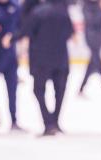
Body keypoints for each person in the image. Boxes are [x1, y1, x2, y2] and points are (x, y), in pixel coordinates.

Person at [21, 0, 73, 136]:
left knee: (39, 90)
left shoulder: (37, 13)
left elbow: (26, 32)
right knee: (59, 91)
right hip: (60, 59)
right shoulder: (63, 12)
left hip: (40, 59)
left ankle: (48, 122)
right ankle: (54, 121)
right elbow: (69, 33)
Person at [0, 0, 22, 132]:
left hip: (10, 57)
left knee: (12, 89)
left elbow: (21, 26)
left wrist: (13, 36)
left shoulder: (15, 6)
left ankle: (14, 120)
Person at [79, 0, 101, 96]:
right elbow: (93, 21)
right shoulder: (86, 6)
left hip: (98, 37)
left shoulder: (98, 5)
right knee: (97, 62)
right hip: (91, 38)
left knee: (92, 63)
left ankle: (81, 88)